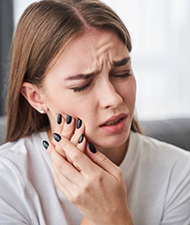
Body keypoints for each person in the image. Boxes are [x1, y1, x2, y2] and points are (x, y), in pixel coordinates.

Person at [0, 0, 190, 224]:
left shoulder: (180, 173)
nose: (114, 98)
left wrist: (113, 217)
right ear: (36, 97)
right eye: (82, 85)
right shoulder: (7, 179)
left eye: (122, 72)